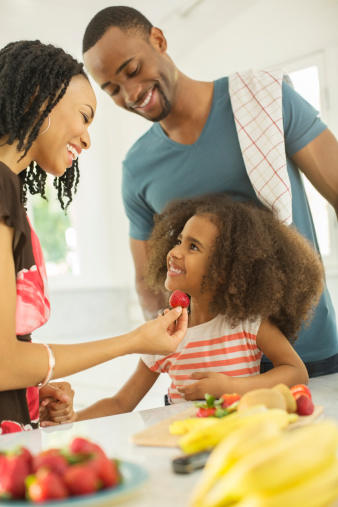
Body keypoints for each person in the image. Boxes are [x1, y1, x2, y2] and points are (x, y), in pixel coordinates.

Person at [82, 6, 338, 377]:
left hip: (309, 352)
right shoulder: (138, 168)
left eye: (133, 70)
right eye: (113, 90)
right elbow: (148, 282)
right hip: (215, 370)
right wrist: (173, 356)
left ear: (159, 40)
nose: (131, 93)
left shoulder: (262, 102)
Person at [0, 40, 188, 434]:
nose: (87, 139)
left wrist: (30, 393)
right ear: (39, 98)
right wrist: (135, 341)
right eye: (84, 117)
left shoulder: (10, 189)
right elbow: (2, 363)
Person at [74, 193, 323, 417]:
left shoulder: (248, 323)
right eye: (179, 240)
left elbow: (296, 372)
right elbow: (121, 403)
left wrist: (231, 388)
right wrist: (70, 422)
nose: (175, 252)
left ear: (225, 270)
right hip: (183, 440)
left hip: (238, 436)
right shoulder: (164, 332)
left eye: (193, 246)